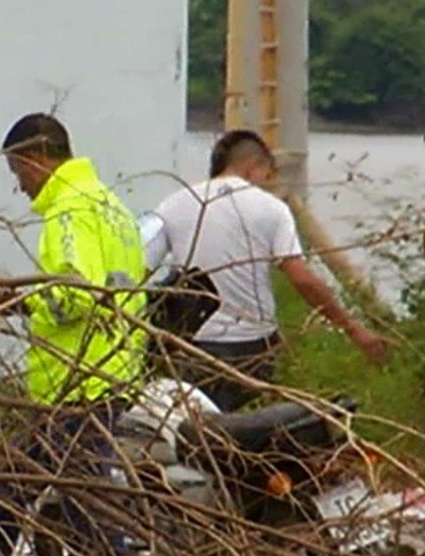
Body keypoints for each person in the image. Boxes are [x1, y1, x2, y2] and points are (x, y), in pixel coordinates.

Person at [0, 113, 146, 556]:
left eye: (18, 170)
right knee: (27, 494)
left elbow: (74, 295)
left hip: (76, 386)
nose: (19, 184)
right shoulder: (110, 205)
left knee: (69, 506)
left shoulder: (67, 212)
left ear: (35, 159)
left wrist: (24, 300)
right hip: (108, 374)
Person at [142, 129, 391, 412]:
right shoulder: (271, 209)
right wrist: (353, 329)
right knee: (248, 431)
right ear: (252, 166)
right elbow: (302, 279)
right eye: (266, 175)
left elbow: (141, 266)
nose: (266, 184)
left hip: (189, 346)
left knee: (196, 426)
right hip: (252, 348)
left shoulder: (174, 204)